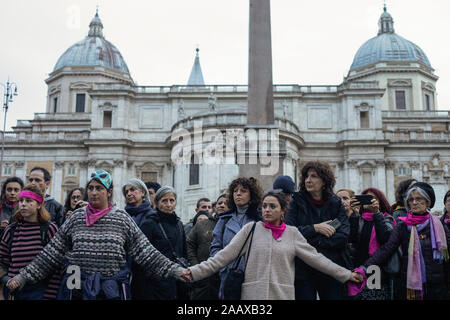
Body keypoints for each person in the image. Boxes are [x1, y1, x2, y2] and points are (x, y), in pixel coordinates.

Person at [5, 170, 190, 300]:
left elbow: (147, 254)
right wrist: (22, 277)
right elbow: (50, 254)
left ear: (109, 192)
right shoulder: (76, 218)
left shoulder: (122, 219)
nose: (94, 192)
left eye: (99, 188)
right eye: (91, 188)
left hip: (110, 291)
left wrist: (176, 271)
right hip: (76, 288)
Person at [187, 190, 362, 300]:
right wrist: (192, 272)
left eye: (272, 206)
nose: (267, 210)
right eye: (264, 206)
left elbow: (318, 260)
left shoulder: (292, 233)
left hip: (283, 295)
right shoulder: (251, 229)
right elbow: (221, 258)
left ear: (283, 210)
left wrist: (346, 274)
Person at [359, 182, 450, 300]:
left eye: (418, 199)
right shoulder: (403, 226)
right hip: (409, 285)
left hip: (437, 286)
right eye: (411, 199)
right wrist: (364, 268)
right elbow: (386, 249)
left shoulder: (439, 225)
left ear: (428, 202)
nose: (414, 202)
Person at [286, 161, 350, 300]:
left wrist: (314, 241)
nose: (308, 180)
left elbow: (343, 236)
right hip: (303, 268)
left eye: (313, 176)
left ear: (324, 181)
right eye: (307, 176)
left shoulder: (336, 202)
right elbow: (290, 232)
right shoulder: (296, 201)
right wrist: (315, 228)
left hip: (330, 267)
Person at [0, 184, 61, 300]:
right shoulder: (11, 230)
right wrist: (7, 280)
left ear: (39, 204)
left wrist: (49, 296)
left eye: (28, 201)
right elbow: (2, 262)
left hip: (41, 292)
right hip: (14, 292)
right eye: (21, 200)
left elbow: (56, 266)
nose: (23, 204)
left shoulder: (49, 229)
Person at [210, 177, 263, 299]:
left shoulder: (259, 220)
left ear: (252, 194)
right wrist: (223, 269)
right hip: (229, 277)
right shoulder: (224, 219)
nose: (238, 193)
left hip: (253, 277)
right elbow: (215, 247)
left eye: (243, 190)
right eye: (235, 191)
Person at [139, 186, 190, 300]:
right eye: (164, 201)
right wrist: (153, 276)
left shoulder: (179, 224)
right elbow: (142, 253)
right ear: (157, 203)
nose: (168, 204)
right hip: (156, 282)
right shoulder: (149, 223)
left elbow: (183, 251)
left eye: (171, 200)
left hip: (178, 279)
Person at [348, 187, 395, 300]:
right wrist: (354, 214)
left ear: (380, 201)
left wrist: (376, 214)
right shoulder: (358, 219)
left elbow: (384, 238)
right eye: (365, 199)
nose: (368, 202)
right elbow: (351, 239)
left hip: (376, 269)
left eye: (372, 199)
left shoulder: (386, 218)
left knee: (374, 296)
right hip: (358, 267)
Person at [187, 194, 229, 300]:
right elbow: (190, 244)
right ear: (215, 207)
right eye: (220, 203)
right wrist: (195, 265)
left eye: (226, 203)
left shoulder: (234, 225)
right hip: (204, 278)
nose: (222, 205)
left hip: (225, 278)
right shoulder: (202, 224)